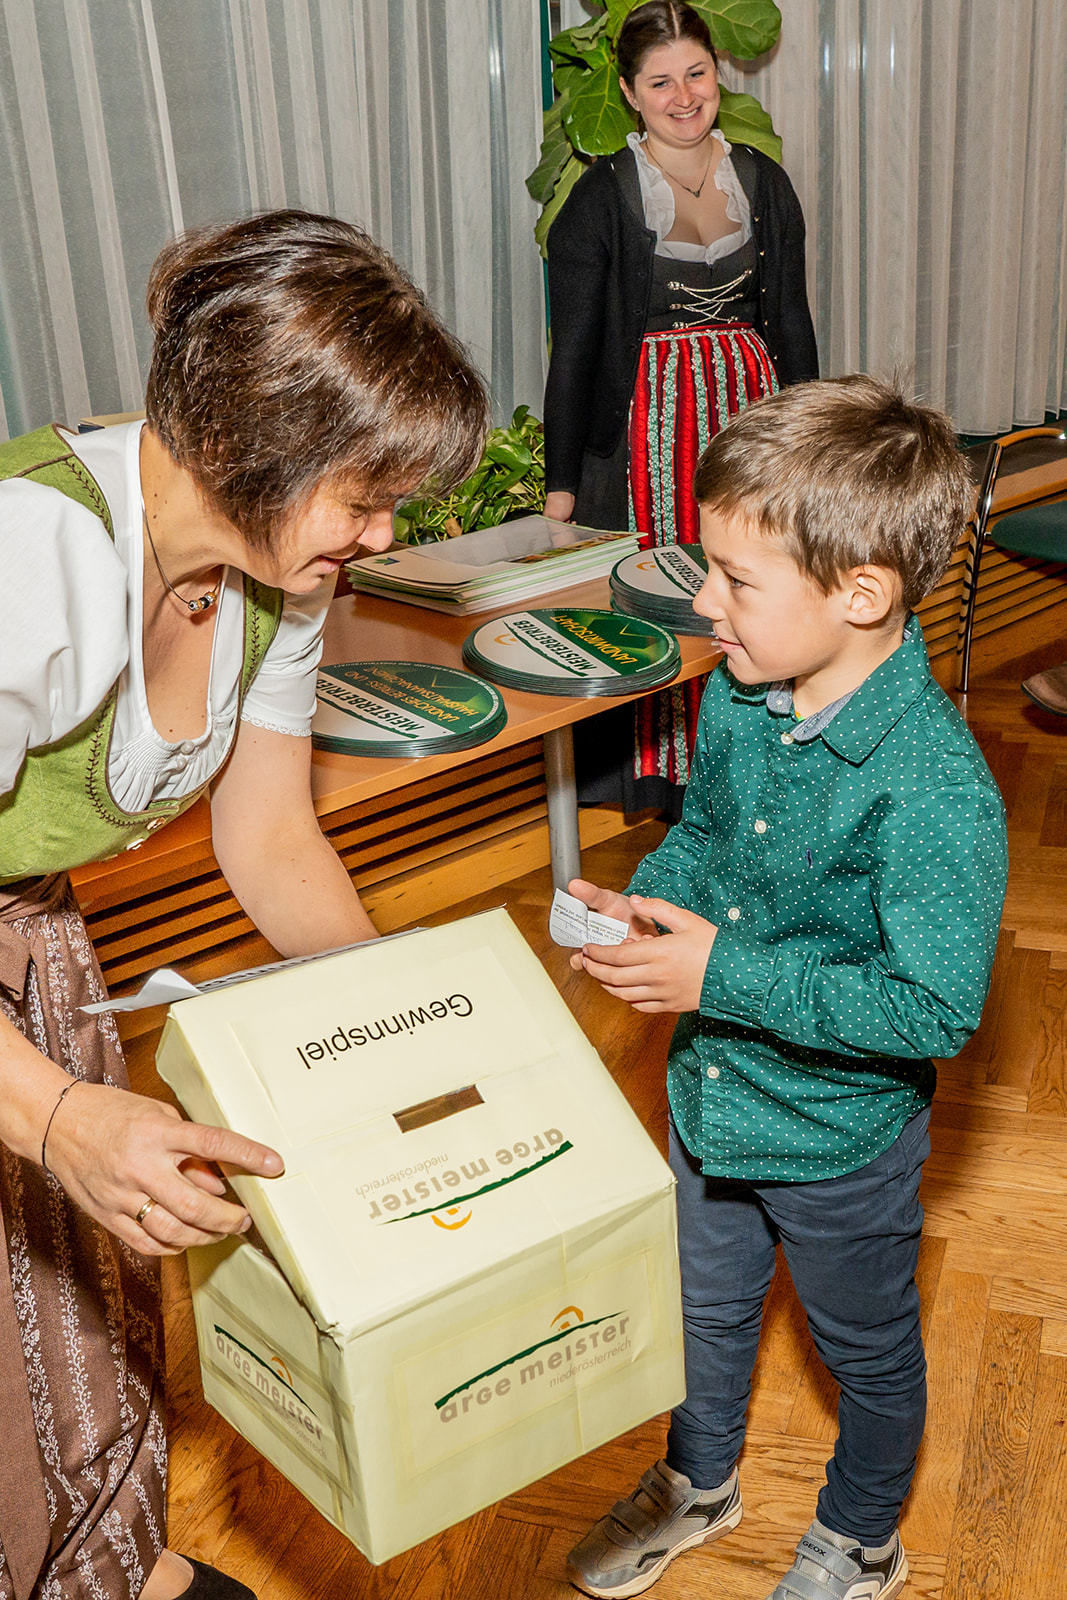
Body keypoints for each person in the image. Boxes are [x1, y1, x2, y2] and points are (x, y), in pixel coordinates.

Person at [0, 210, 488, 1600]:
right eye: (364, 494)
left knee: (65, 1345)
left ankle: (110, 1567)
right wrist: (53, 1115)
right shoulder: (36, 558)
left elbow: (269, 842)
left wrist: (421, 1026)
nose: (382, 533)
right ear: (251, 445)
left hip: (24, 945)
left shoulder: (277, 581)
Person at [561, 376, 1008, 1600]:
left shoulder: (936, 795)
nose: (703, 604)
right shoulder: (740, 693)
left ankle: (861, 1533)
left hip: (837, 1142)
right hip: (709, 1099)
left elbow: (929, 1010)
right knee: (698, 1310)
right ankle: (698, 1477)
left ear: (859, 594)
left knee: (864, 1353)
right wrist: (653, 896)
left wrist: (722, 969)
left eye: (733, 579)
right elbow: (704, 834)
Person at [542, 0, 817, 817]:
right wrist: (561, 486)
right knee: (675, 584)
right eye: (661, 81)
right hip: (649, 423)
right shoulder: (598, 199)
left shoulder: (762, 182)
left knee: (758, 580)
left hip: (751, 411)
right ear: (629, 92)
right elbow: (577, 352)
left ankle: (767, 759)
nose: (683, 95)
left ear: (717, 74)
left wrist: (809, 441)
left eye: (695, 73)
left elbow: (793, 320)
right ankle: (679, 774)